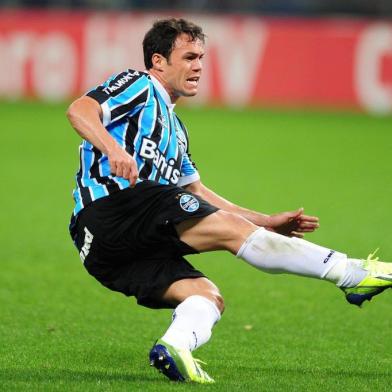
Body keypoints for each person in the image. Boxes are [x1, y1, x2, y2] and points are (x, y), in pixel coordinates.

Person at [67, 18, 392, 384]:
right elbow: (80, 109)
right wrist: (112, 149)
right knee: (230, 231)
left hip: (104, 253)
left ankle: (174, 347)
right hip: (113, 208)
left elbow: (197, 194)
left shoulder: (177, 133)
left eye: (201, 58)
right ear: (158, 61)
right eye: (188, 56)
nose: (198, 66)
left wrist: (266, 221)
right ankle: (351, 273)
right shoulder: (140, 85)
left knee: (206, 297)